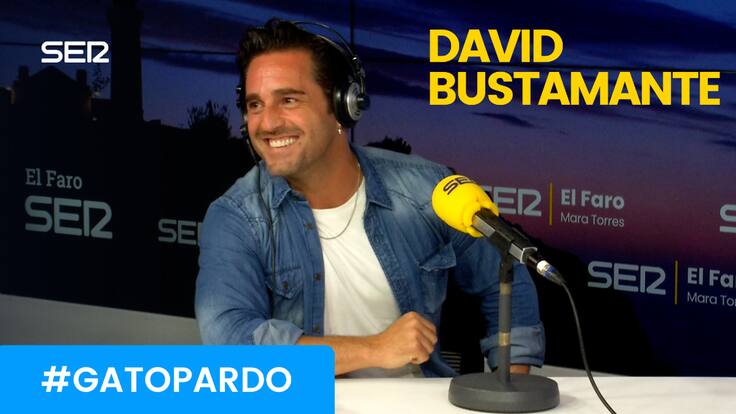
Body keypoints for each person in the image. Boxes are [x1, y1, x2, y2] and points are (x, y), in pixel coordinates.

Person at [195, 19, 544, 378]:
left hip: (418, 401)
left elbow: (504, 277)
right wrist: (375, 349)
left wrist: (511, 385)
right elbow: (231, 343)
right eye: (255, 104)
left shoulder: (427, 191)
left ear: (343, 105)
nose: (267, 123)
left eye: (288, 100)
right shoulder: (236, 217)